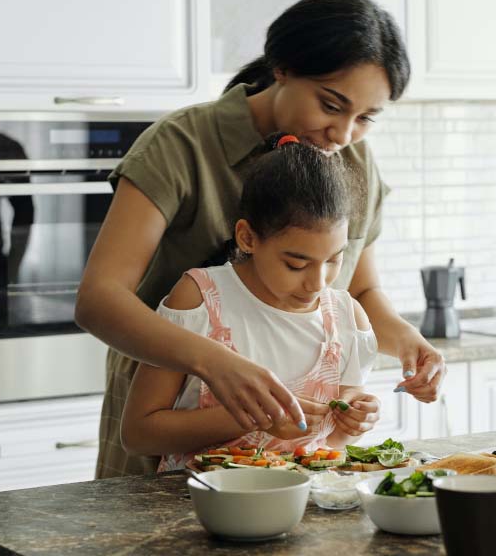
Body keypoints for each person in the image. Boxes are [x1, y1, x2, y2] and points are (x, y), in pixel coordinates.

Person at [76, 0, 447, 478]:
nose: (344, 133)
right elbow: (99, 299)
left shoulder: (353, 161)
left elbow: (358, 289)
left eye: (365, 118)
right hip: (169, 423)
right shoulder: (181, 144)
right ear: (282, 68)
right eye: (331, 105)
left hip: (291, 459)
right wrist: (215, 363)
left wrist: (406, 341)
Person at [122, 134, 378, 470]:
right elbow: (138, 434)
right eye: (296, 264)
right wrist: (253, 418)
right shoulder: (199, 300)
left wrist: (354, 423)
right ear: (247, 237)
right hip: (197, 508)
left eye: (334, 260)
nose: (318, 282)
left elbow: (333, 444)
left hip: (304, 508)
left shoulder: (346, 319)